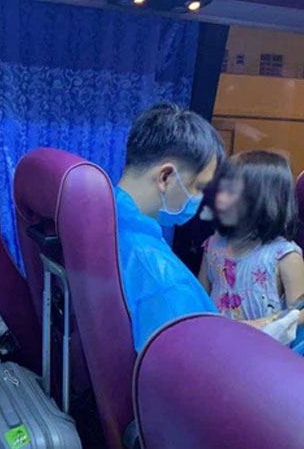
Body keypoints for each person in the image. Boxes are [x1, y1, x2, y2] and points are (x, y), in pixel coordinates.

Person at [115, 104, 299, 352]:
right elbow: (201, 354)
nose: (203, 198)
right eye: (200, 187)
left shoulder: (111, 217)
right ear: (166, 177)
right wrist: (257, 337)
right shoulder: (162, 278)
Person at [199, 151, 304, 344]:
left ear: (265, 200)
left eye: (231, 191)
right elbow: (198, 297)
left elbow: (300, 311)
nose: (219, 198)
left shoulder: (285, 256)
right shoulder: (213, 246)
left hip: (262, 353)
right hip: (217, 346)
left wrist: (260, 324)